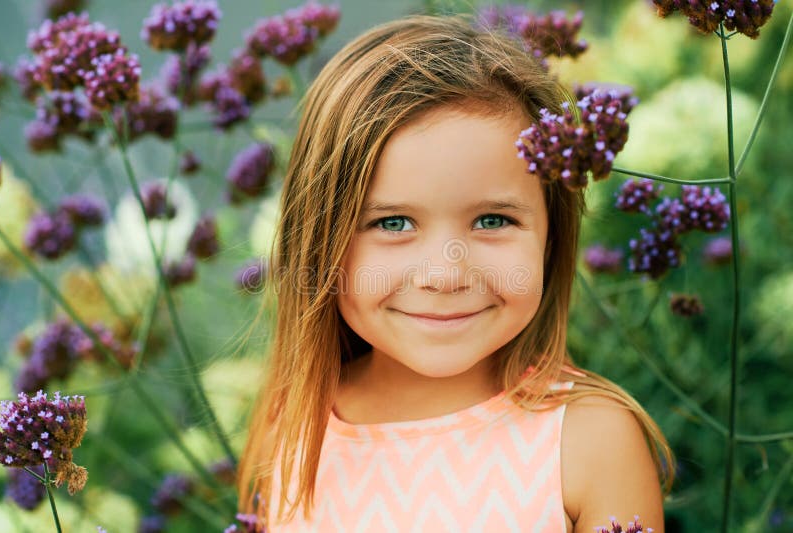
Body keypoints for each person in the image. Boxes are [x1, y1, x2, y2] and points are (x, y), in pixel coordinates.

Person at [236, 14, 675, 533]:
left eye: (493, 220)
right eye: (393, 223)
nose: (446, 276)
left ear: (551, 235)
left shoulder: (589, 444)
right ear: (319, 240)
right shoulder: (294, 426)